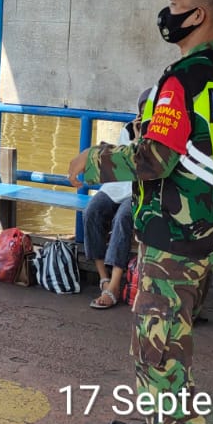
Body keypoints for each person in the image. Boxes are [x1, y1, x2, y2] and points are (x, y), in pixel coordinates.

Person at [68, 0, 213, 424]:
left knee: (161, 354)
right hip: (202, 230)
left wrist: (92, 161)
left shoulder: (184, 81)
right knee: (167, 339)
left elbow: (154, 159)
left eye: (177, 5)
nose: (167, 15)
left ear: (197, 15)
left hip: (175, 237)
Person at [83, 92, 150, 310]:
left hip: (140, 189)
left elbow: (146, 166)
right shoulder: (129, 128)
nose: (143, 114)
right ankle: (103, 276)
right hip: (117, 185)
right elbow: (121, 162)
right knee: (91, 211)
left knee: (123, 218)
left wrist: (142, 140)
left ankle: (115, 283)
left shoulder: (160, 133)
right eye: (142, 109)